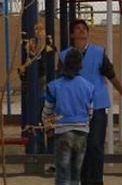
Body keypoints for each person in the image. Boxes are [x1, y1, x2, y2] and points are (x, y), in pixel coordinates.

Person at [60, 19, 122, 185]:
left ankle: (95, 181)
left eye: (84, 28)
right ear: (72, 34)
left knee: (95, 145)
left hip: (98, 106)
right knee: (79, 147)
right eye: (77, 28)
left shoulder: (98, 53)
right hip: (75, 108)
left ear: (88, 33)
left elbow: (112, 76)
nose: (81, 31)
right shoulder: (64, 56)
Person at [44, 49, 96, 185]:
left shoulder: (54, 86)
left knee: (62, 173)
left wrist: (47, 126)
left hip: (62, 131)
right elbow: (90, 112)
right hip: (82, 131)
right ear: (81, 65)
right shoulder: (88, 87)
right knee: (76, 173)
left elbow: (47, 110)